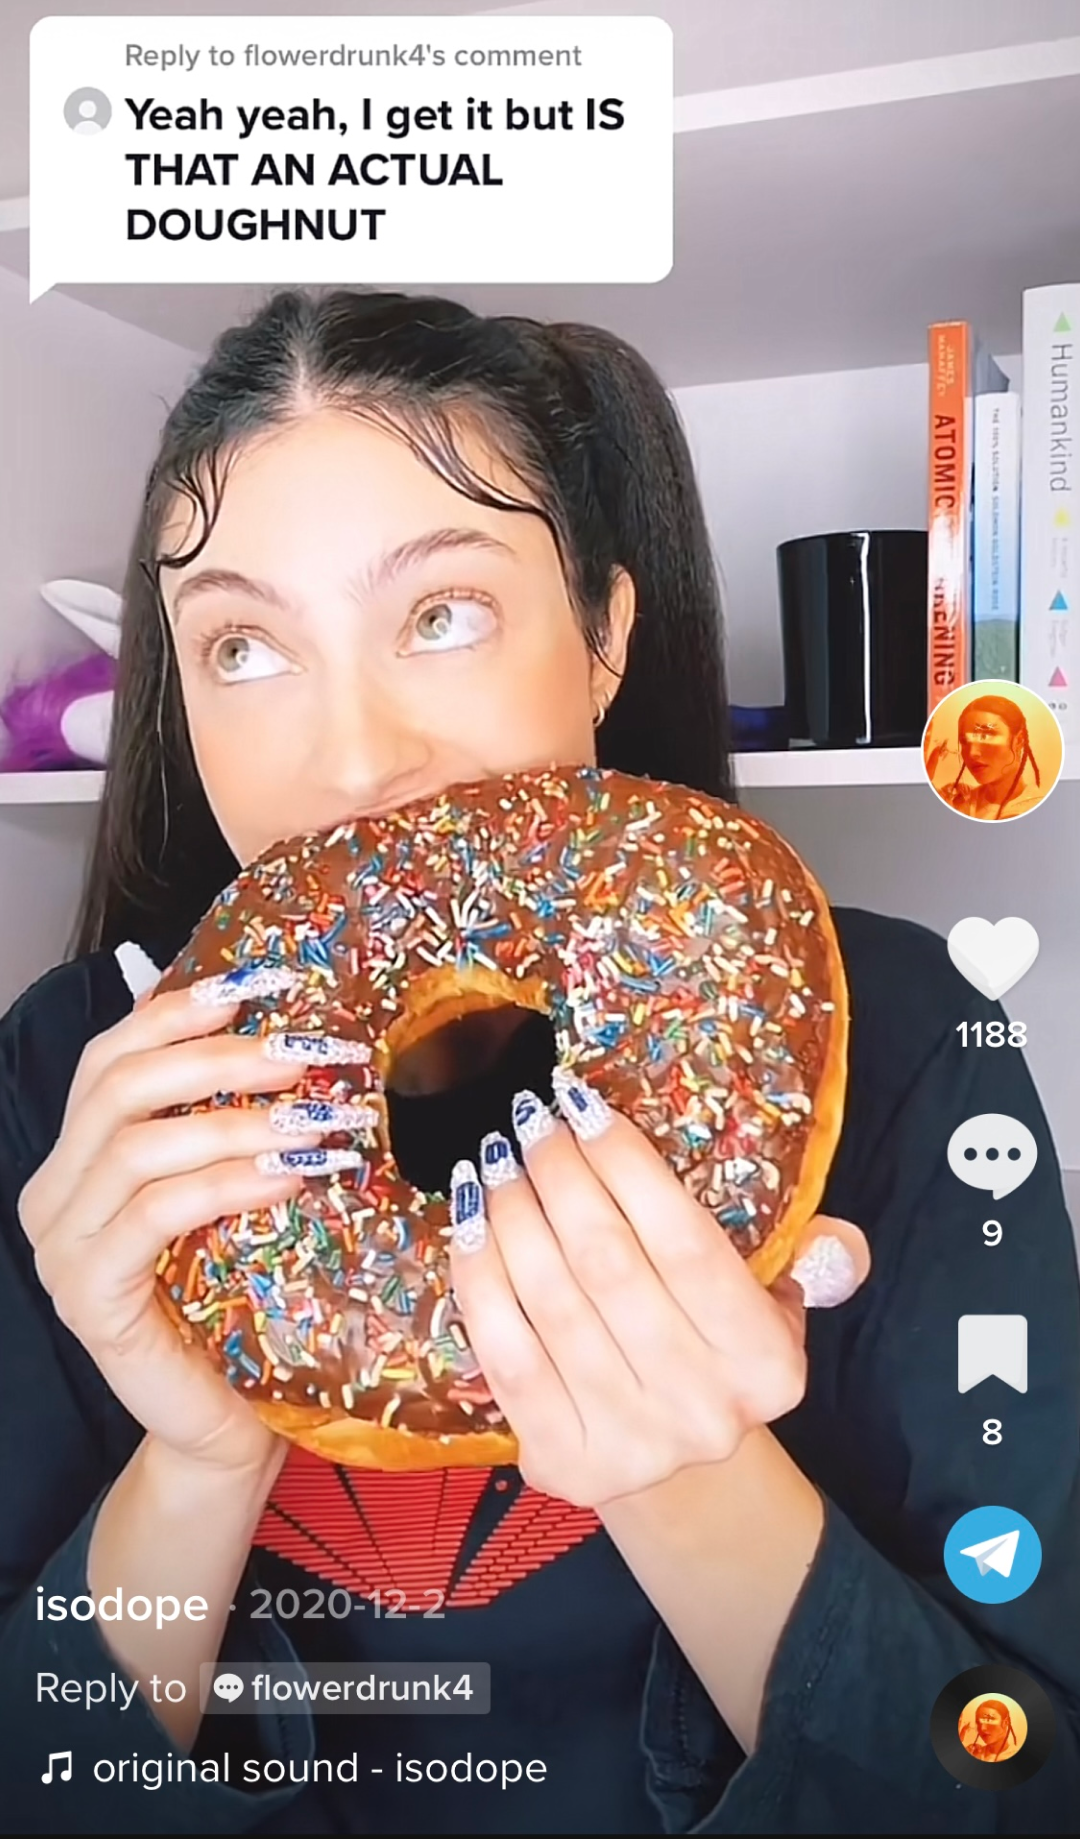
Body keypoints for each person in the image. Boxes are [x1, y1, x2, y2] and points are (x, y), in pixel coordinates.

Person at [1, 288, 1079, 1836]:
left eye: (441, 612)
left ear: (604, 635)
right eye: (244, 645)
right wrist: (197, 1451)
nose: (354, 759)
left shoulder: (901, 1041)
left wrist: (687, 1474)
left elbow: (1017, 1786)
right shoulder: (72, 1099)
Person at [926, 694, 1044, 821]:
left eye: (985, 737)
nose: (972, 753)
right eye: (964, 741)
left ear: (1019, 741)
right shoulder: (959, 800)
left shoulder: (1040, 811)